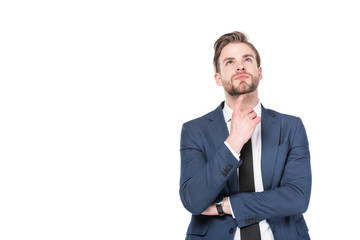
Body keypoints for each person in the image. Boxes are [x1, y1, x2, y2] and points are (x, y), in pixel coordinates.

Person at [179, 31, 311, 240]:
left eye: (247, 60)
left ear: (259, 72)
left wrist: (225, 206)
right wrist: (233, 143)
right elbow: (194, 200)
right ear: (218, 78)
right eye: (229, 62)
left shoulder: (291, 126)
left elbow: (297, 198)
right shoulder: (194, 130)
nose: (240, 66)